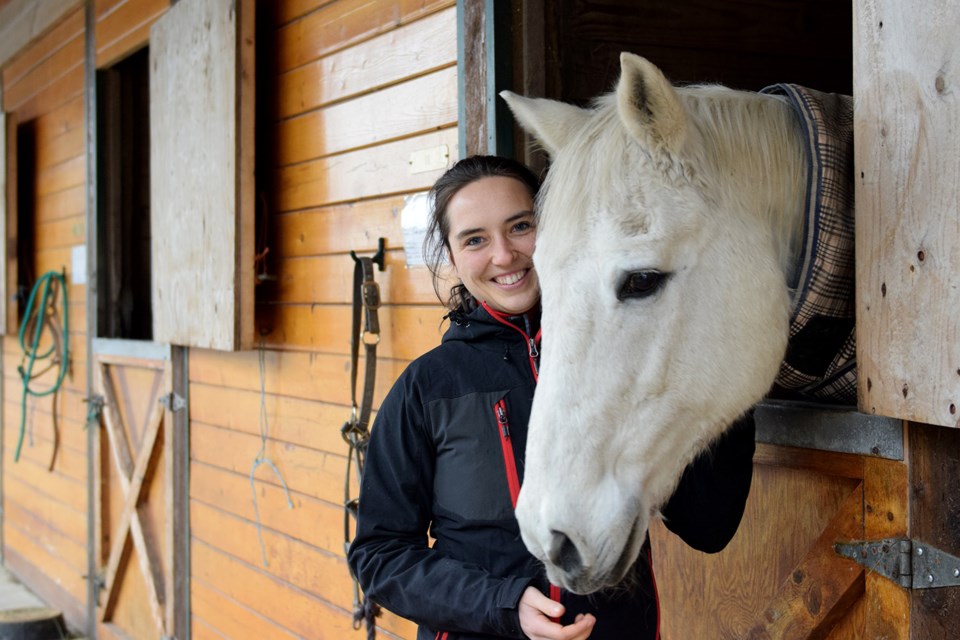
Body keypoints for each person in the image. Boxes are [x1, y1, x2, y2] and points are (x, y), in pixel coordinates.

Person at [347, 155, 756, 640]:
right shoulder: (427, 389)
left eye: (521, 226)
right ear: (453, 257)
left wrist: (724, 372)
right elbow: (380, 556)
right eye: (475, 239)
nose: (504, 255)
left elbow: (708, 524)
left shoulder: (628, 354)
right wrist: (502, 604)